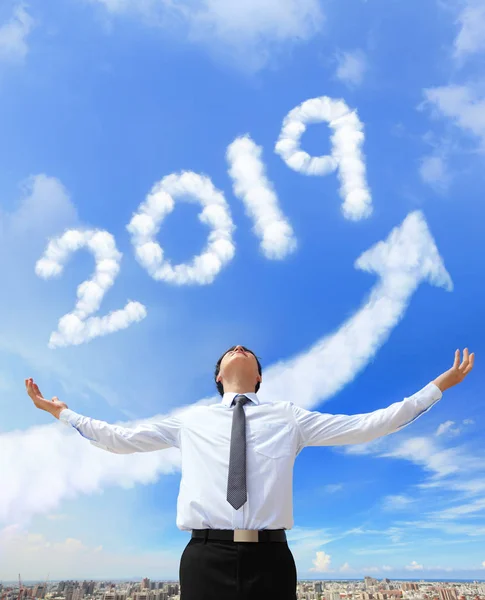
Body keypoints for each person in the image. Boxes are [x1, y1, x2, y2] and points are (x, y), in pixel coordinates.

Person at [26, 345, 475, 600]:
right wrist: (64, 413)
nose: (239, 349)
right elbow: (118, 438)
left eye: (249, 352)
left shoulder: (289, 416)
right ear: (219, 377)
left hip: (272, 559)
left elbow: (368, 425)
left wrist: (435, 389)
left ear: (258, 377)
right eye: (229, 352)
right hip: (204, 558)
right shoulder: (190, 420)